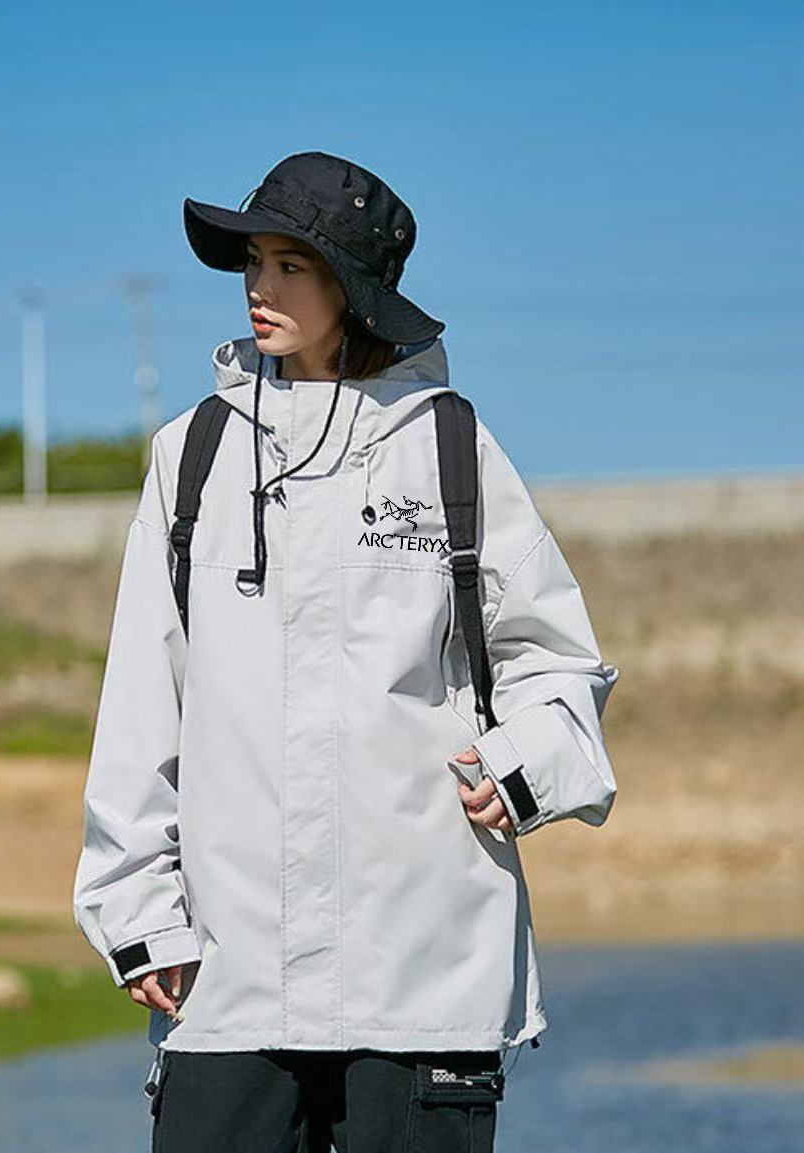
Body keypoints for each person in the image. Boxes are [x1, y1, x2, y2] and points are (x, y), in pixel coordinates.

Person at [73, 150, 619, 1153]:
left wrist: (525, 767)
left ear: (353, 291)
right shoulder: (189, 456)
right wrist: (136, 909)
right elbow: (144, 703)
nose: (258, 286)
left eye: (291, 266)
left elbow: (555, 660)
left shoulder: (453, 447)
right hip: (227, 973)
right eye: (253, 261)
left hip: (426, 965)